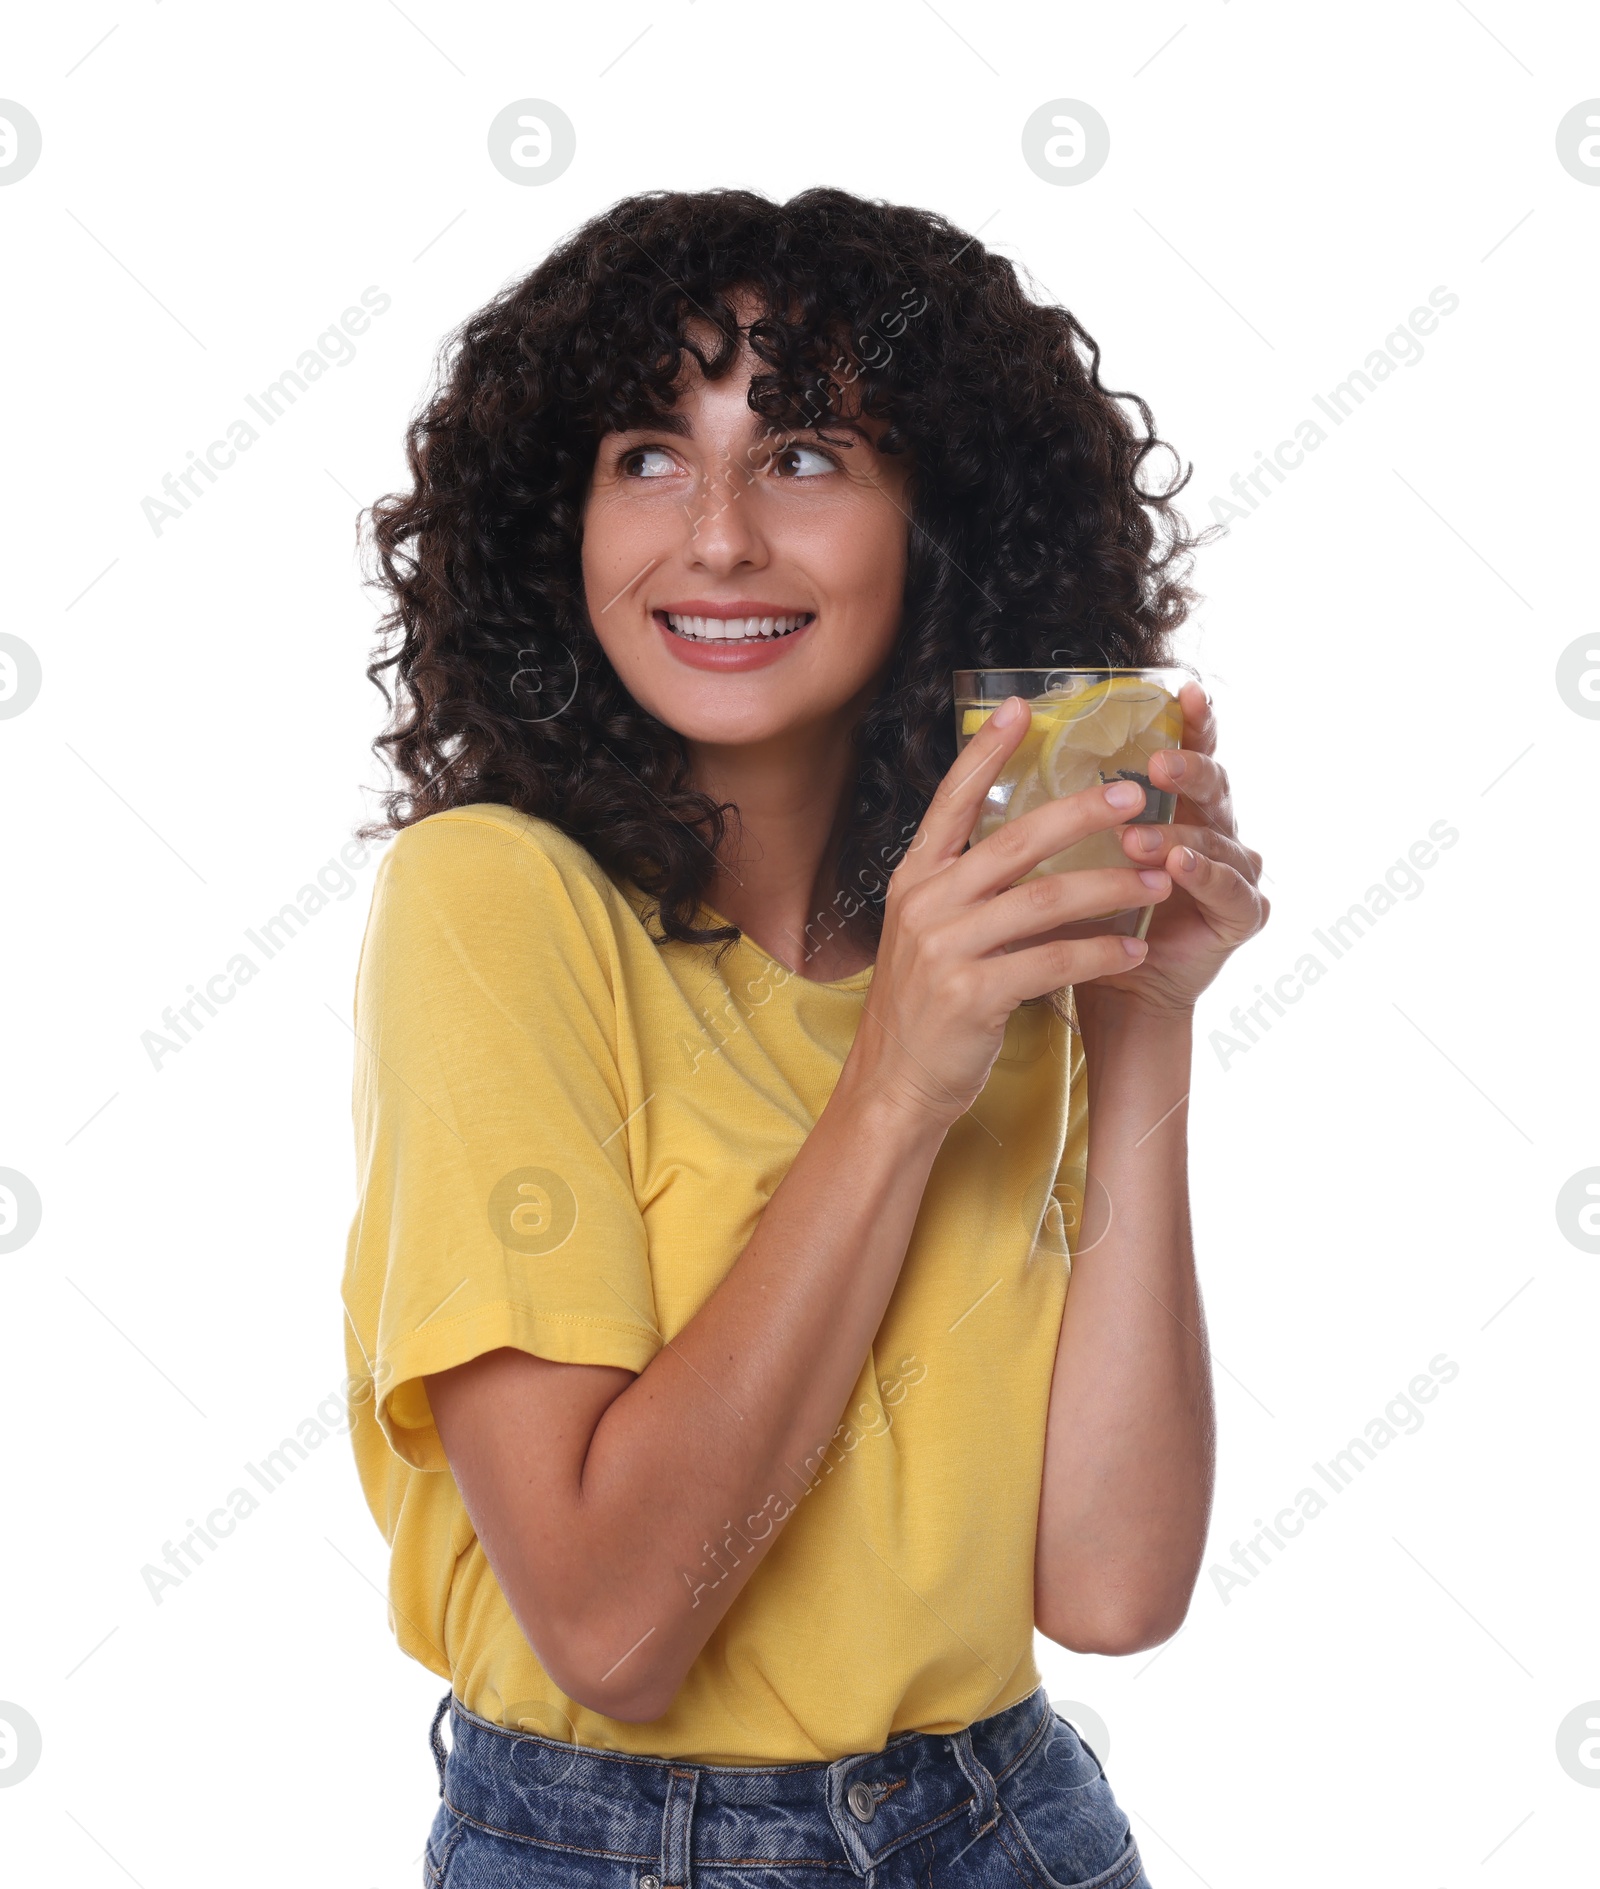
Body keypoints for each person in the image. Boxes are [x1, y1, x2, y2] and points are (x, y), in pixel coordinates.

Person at [341, 186, 1267, 1888]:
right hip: (624, 1846)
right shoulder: (491, 906)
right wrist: (902, 1077)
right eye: (645, 454)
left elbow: (1114, 1586)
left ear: (942, 518)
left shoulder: (972, 939)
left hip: (1013, 1820)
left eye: (805, 455)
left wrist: (1139, 1017)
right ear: (558, 514)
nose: (713, 537)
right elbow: (614, 1627)